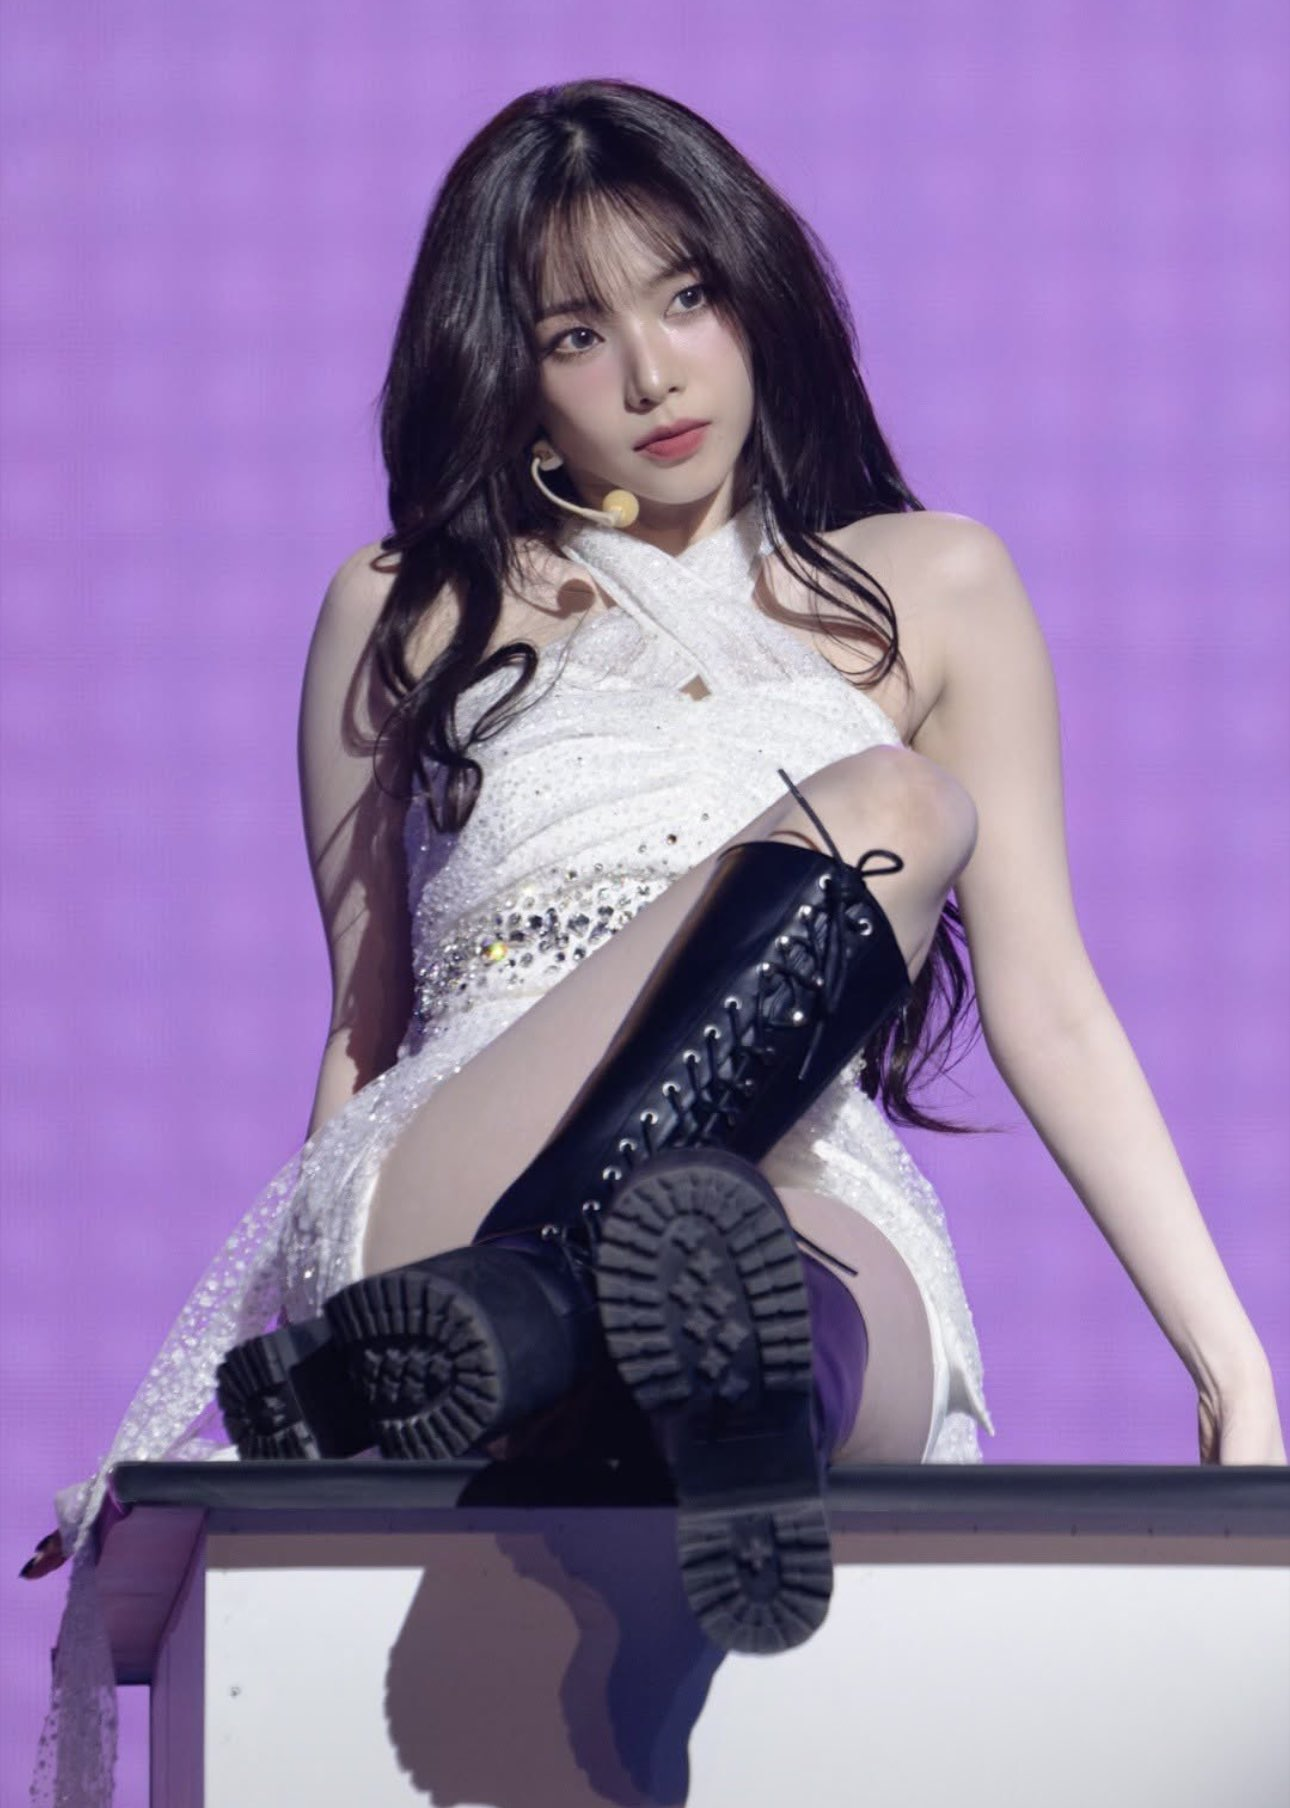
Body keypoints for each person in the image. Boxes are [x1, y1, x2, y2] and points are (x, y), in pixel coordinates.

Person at [27, 74, 1285, 1802]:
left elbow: (1050, 1006)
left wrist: (1231, 1367)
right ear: (513, 371)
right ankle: (553, 1300)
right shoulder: (403, 604)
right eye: (576, 332)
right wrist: (321, 1332)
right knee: (890, 807)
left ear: (755, 296)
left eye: (684, 297)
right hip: (468, 1154)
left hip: (787, 1184)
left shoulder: (934, 584)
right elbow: (365, 1024)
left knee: (760, 1306)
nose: (651, 373)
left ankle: (627, 1475)